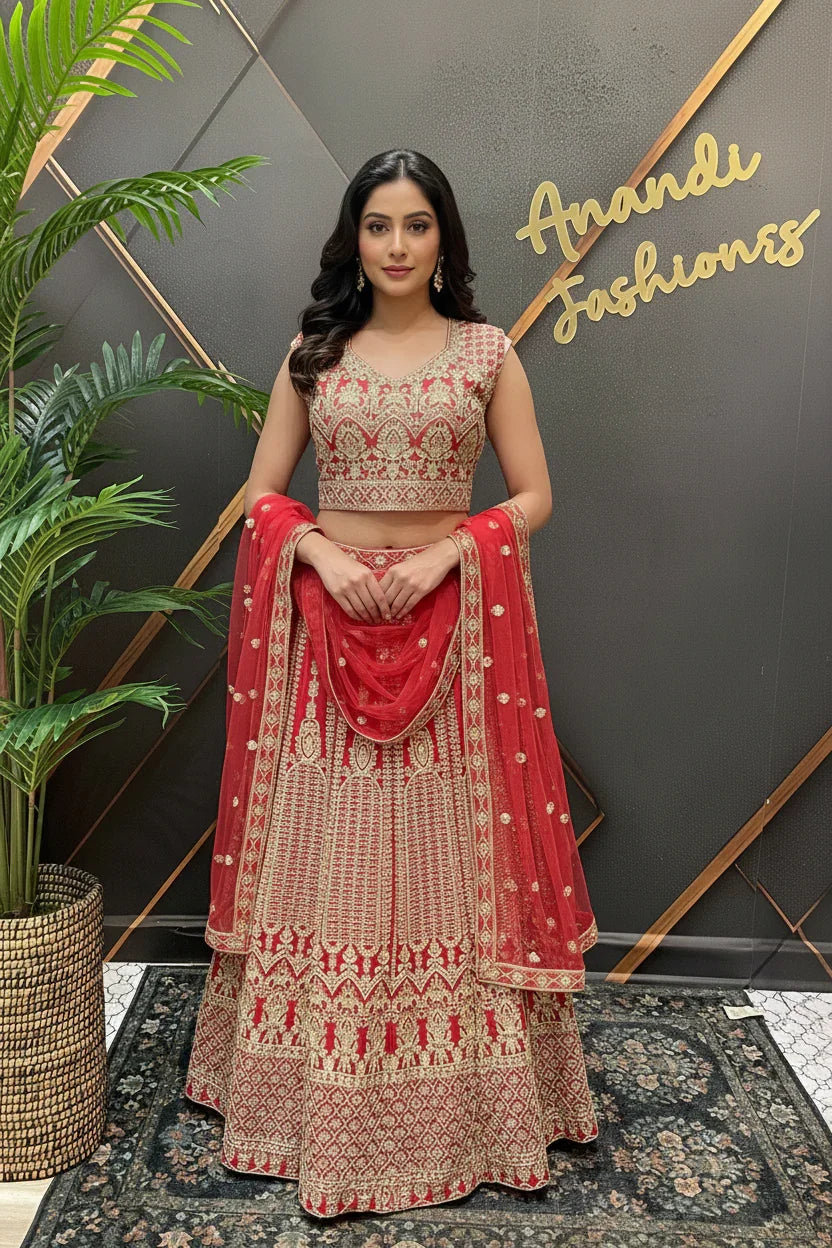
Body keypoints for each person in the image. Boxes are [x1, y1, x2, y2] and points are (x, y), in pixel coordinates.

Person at [184, 148, 600, 1218]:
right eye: (379, 226)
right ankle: (296, 1099)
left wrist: (444, 557)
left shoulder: (485, 353)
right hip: (326, 631)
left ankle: (472, 1107)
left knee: (446, 864)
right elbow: (263, 492)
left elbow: (534, 496)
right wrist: (316, 556)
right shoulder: (312, 356)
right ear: (352, 239)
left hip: (451, 629)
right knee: (332, 853)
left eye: (418, 226)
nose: (399, 245)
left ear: (445, 241)